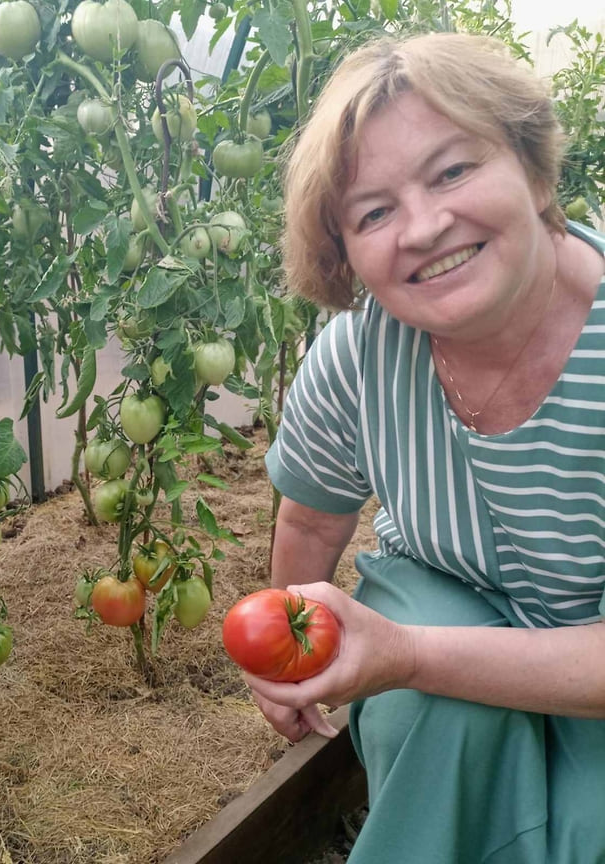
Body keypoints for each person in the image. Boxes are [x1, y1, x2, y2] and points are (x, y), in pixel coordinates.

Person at [250, 31, 605, 864]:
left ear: (535, 170)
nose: (425, 225)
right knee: (440, 719)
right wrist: (285, 657)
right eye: (374, 212)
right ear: (347, 257)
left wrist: (407, 653)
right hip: (445, 593)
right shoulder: (361, 353)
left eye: (453, 171)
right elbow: (309, 520)